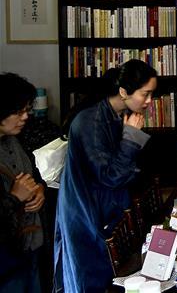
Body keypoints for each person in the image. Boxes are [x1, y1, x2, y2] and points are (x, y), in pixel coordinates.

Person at [54, 59, 157, 293]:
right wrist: (132, 136)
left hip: (106, 209)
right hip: (86, 212)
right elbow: (110, 176)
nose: (150, 102)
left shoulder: (119, 114)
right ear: (123, 92)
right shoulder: (89, 122)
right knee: (91, 279)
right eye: (145, 94)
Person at [0, 73, 45, 293]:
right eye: (18, 112)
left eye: (26, 110)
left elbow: (34, 175)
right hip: (5, 260)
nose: (25, 117)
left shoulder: (15, 140)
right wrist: (15, 197)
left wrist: (40, 190)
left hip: (30, 244)